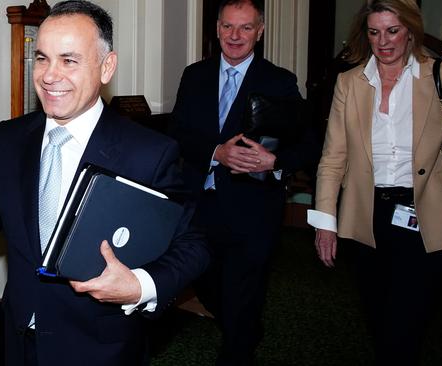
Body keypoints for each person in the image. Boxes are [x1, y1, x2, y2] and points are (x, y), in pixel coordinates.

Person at [0, 1, 210, 365]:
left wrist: (139, 285)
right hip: (19, 340)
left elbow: (193, 244)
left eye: (69, 60)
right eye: (42, 58)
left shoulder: (149, 153)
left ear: (106, 66)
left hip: (101, 349)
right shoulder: (9, 139)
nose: (50, 75)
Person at [307, 0, 442, 365]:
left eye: (393, 31)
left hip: (428, 216)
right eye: (375, 32)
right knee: (379, 320)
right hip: (367, 218)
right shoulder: (349, 82)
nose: (384, 42)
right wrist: (325, 224)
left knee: (403, 327)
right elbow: (333, 159)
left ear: (411, 30)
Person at [171, 0, 317, 364]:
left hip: (253, 208)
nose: (235, 36)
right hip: (199, 205)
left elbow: (310, 141)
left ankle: (238, 347)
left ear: (260, 32)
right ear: (217, 28)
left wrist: (276, 161)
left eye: (246, 28)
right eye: (228, 27)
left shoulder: (279, 81)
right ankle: (244, 327)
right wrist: (216, 152)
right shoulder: (194, 75)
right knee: (206, 282)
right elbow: (177, 132)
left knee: (243, 292)